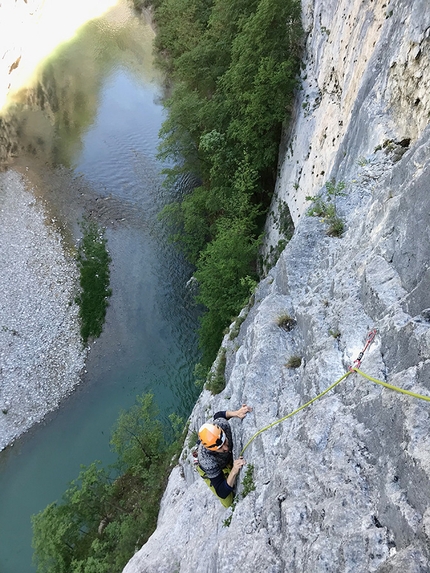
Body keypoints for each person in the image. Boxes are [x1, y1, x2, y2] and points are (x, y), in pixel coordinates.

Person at [197, 405, 252, 507]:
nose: (226, 448)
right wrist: (234, 471)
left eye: (225, 442)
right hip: (212, 466)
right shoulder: (206, 459)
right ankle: (226, 471)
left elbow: (219, 415)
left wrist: (236, 413)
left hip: (223, 460)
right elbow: (221, 492)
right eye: (221, 448)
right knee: (228, 502)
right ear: (212, 449)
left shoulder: (223, 425)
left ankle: (227, 469)